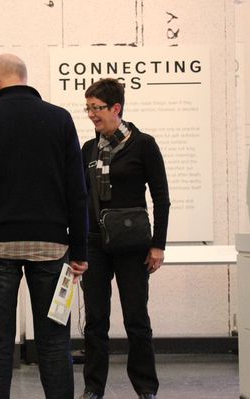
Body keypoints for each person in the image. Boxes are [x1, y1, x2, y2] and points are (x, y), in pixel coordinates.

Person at [0, 53, 89, 399]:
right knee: (54, 341)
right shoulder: (60, 119)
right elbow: (77, 190)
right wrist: (80, 249)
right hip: (52, 247)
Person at [79, 78, 170, 399]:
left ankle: (146, 388)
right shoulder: (88, 149)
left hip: (133, 247)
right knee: (95, 322)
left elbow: (161, 197)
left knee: (136, 320)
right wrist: (77, 246)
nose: (91, 114)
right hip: (94, 245)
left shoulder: (143, 144)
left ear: (116, 108)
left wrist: (158, 244)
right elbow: (80, 198)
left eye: (97, 108)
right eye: (88, 107)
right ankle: (93, 388)